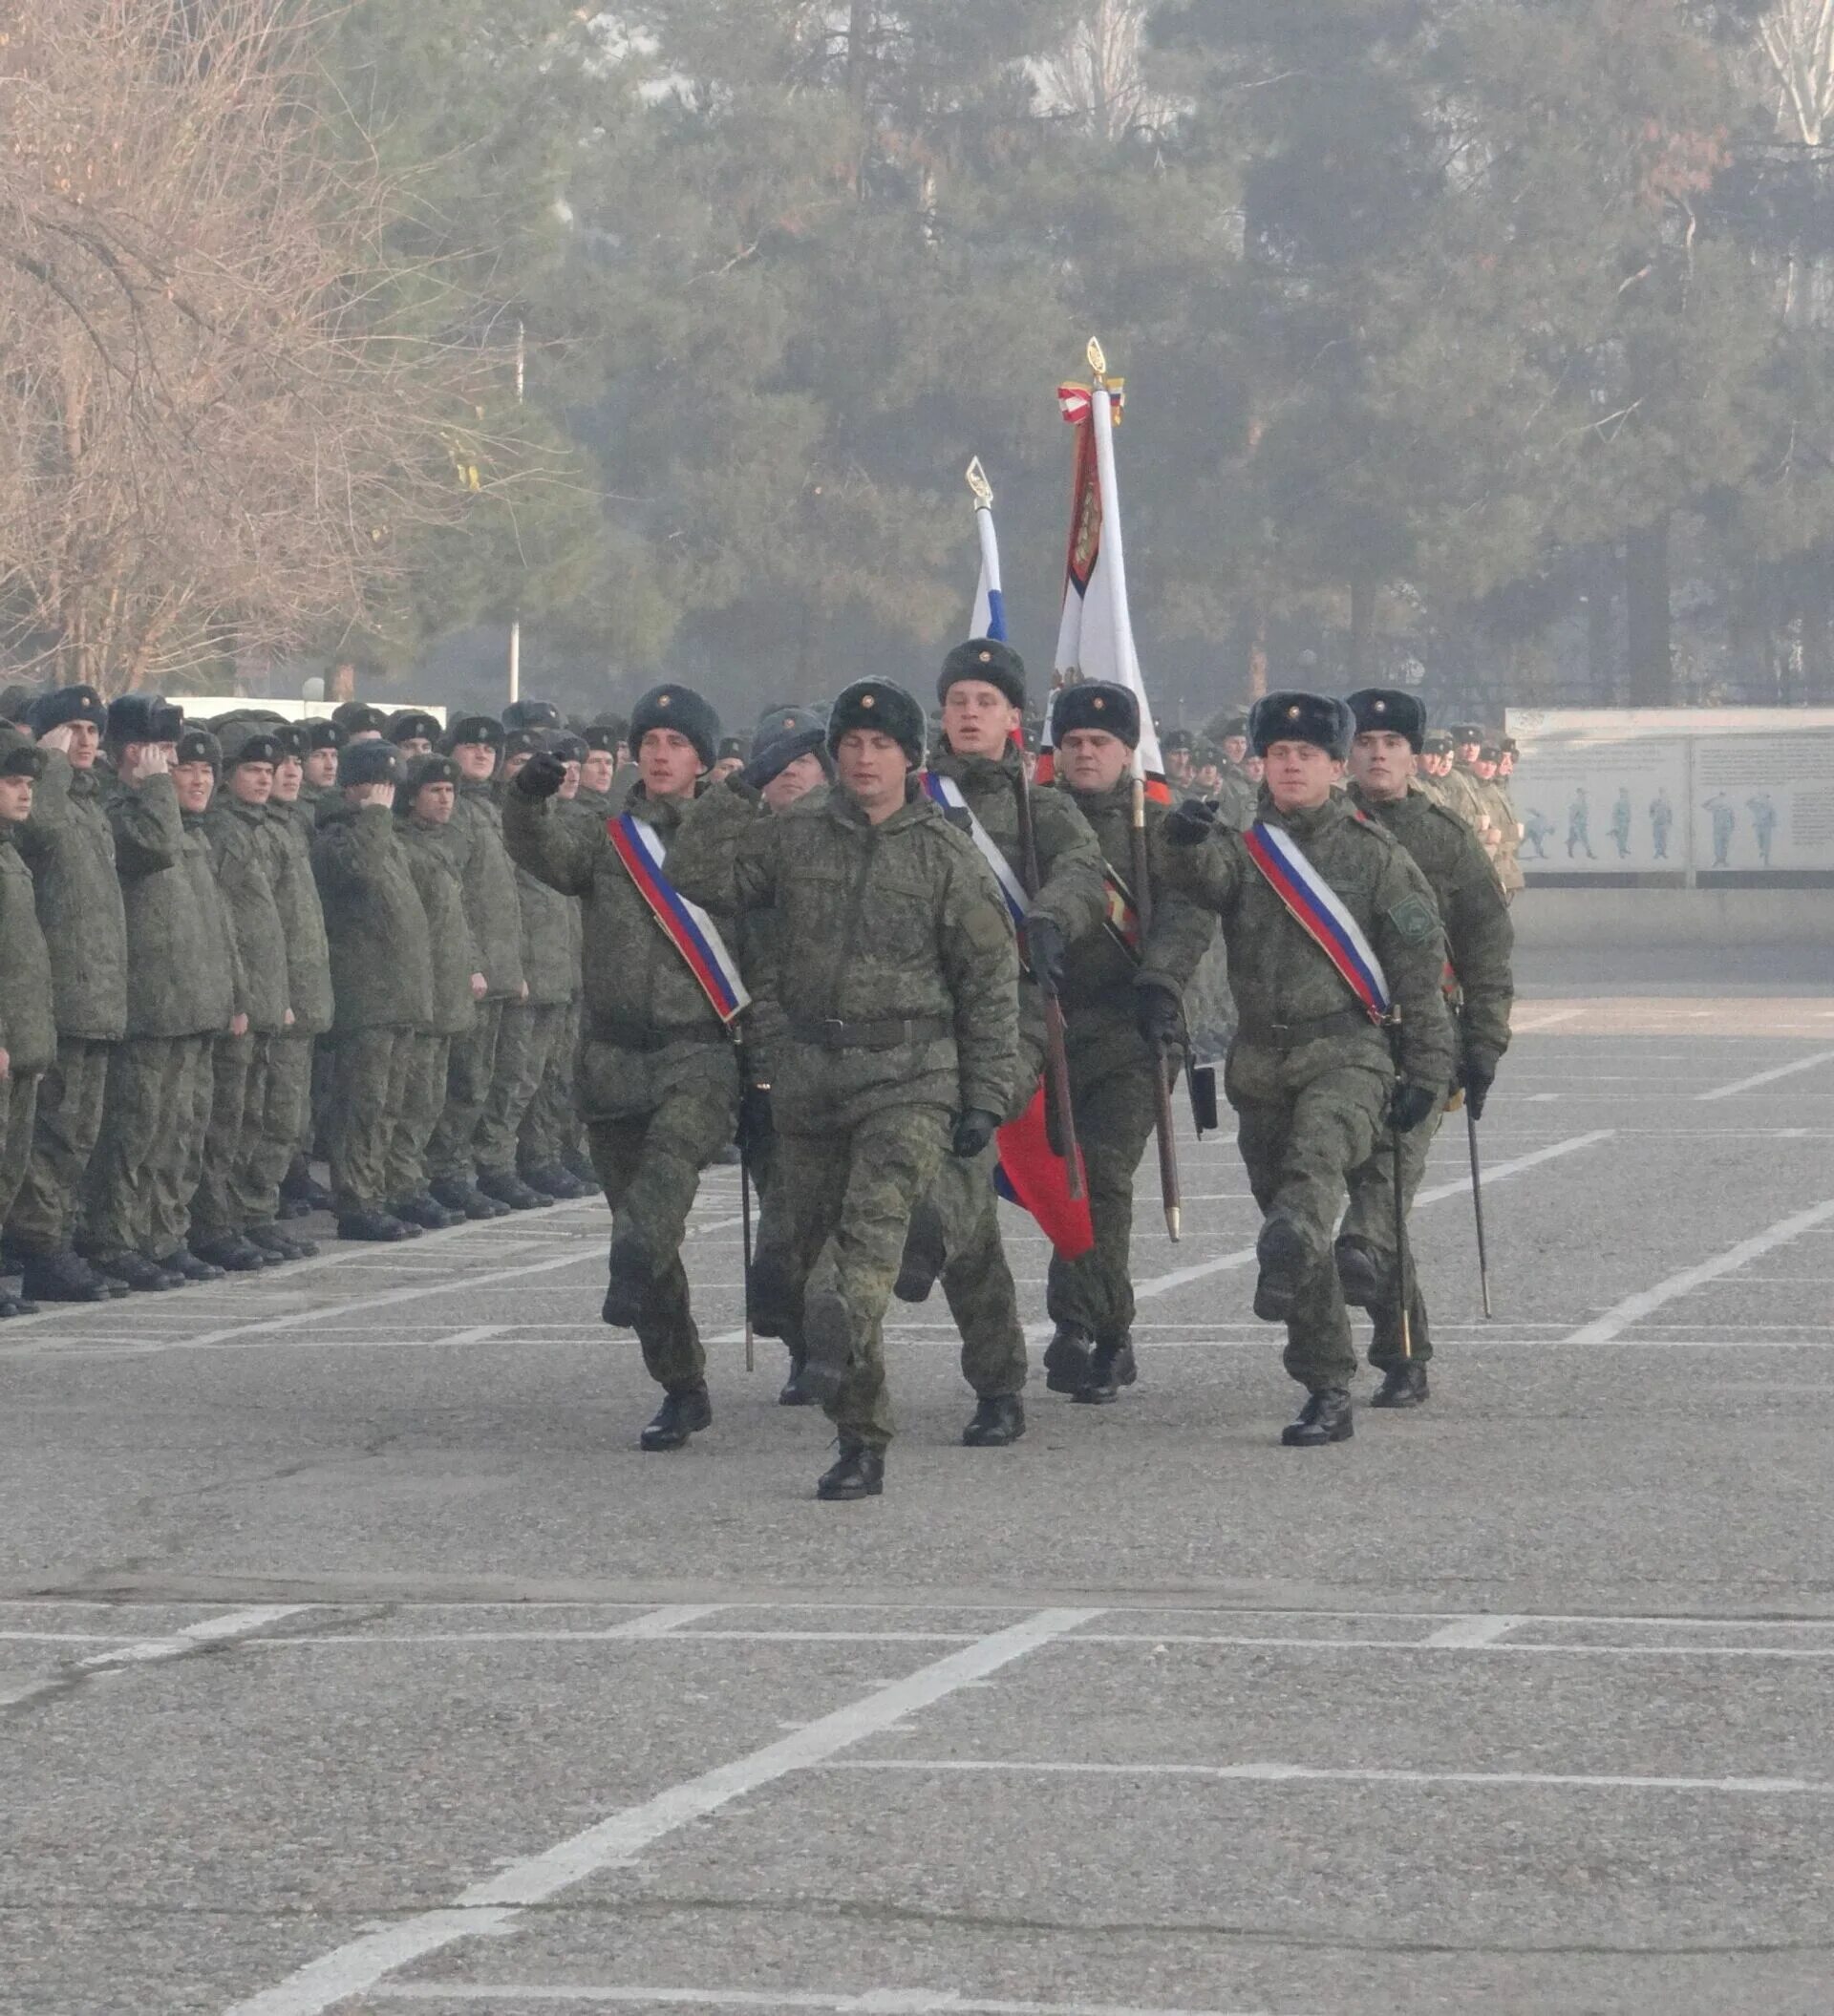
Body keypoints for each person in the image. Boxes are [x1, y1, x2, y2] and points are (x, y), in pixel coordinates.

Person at [668, 678, 1019, 1498]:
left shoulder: (943, 854)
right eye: (851, 745)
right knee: (814, 1251)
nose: (864, 759)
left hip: (909, 1078)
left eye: (882, 746)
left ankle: (847, 1348)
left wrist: (986, 1098)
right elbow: (693, 869)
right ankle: (860, 1436)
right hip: (812, 1081)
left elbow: (989, 981)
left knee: (860, 1248)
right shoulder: (795, 836)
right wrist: (743, 784)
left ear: (910, 759)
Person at [1162, 690, 1456, 1446]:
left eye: (1307, 756)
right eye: (1278, 754)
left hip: (1350, 1053)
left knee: (1313, 1171)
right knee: (1296, 1247)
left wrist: (1428, 1069)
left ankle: (1373, 1325)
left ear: (1335, 765)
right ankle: (1327, 1382)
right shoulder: (1243, 845)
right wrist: (1184, 836)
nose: (1291, 766)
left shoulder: (1376, 855)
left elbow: (1419, 972)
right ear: (1262, 762)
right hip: (1262, 1062)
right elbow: (1203, 882)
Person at [502, 682, 739, 1454]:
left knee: (663, 1182)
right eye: (651, 743)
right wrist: (528, 801)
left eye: (676, 744)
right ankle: (681, 1384)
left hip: (697, 1052)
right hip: (610, 1057)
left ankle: (630, 1256)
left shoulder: (733, 836)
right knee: (646, 1238)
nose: (660, 756)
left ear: (702, 760)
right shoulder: (610, 838)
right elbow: (540, 849)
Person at [897, 638, 1107, 1444]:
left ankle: (1013, 1358)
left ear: (1015, 718)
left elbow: (1083, 872)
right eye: (957, 702)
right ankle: (996, 1379)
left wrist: (1053, 916)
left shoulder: (1039, 806)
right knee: (966, 1218)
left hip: (1014, 1016)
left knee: (963, 1156)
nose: (970, 714)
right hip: (922, 1013)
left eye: (986, 702)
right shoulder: (910, 799)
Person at [1337, 690, 1514, 1405]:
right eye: (1366, 740)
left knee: (1385, 1184)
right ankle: (1400, 1345)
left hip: (1422, 1038)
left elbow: (1487, 945)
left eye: (1392, 741)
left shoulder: (1444, 836)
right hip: (1335, 1034)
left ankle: (1399, 1350)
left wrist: (1485, 1041)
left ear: (1414, 755)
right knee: (1355, 1190)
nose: (1378, 753)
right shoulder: (1317, 827)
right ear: (1346, 753)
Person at [1043, 681, 1216, 1402]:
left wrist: (1162, 981)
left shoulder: (1159, 824)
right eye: (1074, 742)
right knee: (1054, 1181)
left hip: (1132, 1023)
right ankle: (1107, 1326)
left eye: (1100, 743)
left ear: (1126, 751)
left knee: (1103, 1174)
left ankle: (1082, 1327)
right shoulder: (1034, 822)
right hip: (1049, 1023)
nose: (1086, 753)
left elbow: (1188, 913)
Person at [84, 716, 247, 1285]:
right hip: (150, 1006)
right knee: (136, 1131)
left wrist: (234, 994)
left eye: (207, 771)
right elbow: (148, 847)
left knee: (182, 1130)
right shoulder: (121, 816)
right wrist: (152, 787)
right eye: (181, 766)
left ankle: (164, 1234)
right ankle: (116, 1239)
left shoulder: (190, 829)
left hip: (194, 1004)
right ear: (138, 756)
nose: (199, 781)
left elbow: (219, 927)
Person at [3, 685, 129, 1305]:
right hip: (56, 1001)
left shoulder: (89, 803)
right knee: (48, 1137)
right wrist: (45, 763)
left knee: (75, 1134)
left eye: (93, 729)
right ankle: (43, 1248)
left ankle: (57, 1239)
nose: (85, 740)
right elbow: (38, 831)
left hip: (93, 996)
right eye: (72, 728)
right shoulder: (47, 799)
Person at [312, 739, 436, 1242]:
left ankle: (380, 1191)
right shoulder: (338, 834)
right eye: (376, 785)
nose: (386, 796)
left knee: (389, 1104)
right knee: (361, 1105)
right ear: (353, 787)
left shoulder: (384, 836)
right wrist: (375, 818)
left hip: (397, 993)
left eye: (392, 787)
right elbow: (357, 871)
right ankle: (357, 1200)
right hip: (366, 996)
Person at [426, 713, 524, 1220]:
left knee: (486, 1079)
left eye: (490, 748)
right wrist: (471, 963)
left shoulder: (490, 809)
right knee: (462, 1080)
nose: (483, 754)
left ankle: (479, 1167)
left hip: (501, 968)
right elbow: (453, 897)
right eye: (471, 746)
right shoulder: (457, 811)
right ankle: (446, 1171)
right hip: (472, 971)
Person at [484, 730, 583, 1205]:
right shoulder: (515, 827)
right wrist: (514, 966)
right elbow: (506, 908)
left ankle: (543, 1155)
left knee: (551, 1076)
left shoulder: (569, 825)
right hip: (525, 972)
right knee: (513, 1079)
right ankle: (497, 1162)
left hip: (561, 972)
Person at [392, 754, 480, 1228]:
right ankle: (402, 1183)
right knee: (410, 1097)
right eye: (435, 791)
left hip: (448, 989)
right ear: (412, 797)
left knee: (434, 1096)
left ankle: (419, 1179)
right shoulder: (403, 848)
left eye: (450, 791)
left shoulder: (444, 847)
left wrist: (471, 966)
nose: (445, 799)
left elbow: (455, 921)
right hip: (420, 991)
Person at [261, 724, 335, 1225]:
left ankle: (275, 1193)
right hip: (270, 989)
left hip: (301, 985)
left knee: (289, 1105)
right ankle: (259, 1204)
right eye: (278, 764)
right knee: (261, 1111)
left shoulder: (295, 824)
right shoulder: (253, 830)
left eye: (293, 761)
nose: (290, 771)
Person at [0, 731, 53, 1319]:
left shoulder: (11, 850)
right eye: (14, 782)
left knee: (9, 1162)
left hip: (22, 1036)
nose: (24, 794)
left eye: (30, 785)